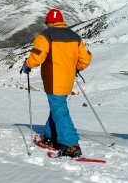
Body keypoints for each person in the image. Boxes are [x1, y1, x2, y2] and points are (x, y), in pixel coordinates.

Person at [22, 8, 92, 158]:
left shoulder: (45, 36)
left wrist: (27, 64)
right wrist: (76, 68)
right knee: (57, 107)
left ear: (49, 22)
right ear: (61, 21)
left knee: (60, 110)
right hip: (67, 80)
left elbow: (37, 57)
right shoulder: (74, 36)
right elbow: (85, 60)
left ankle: (72, 145)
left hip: (53, 80)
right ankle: (49, 135)